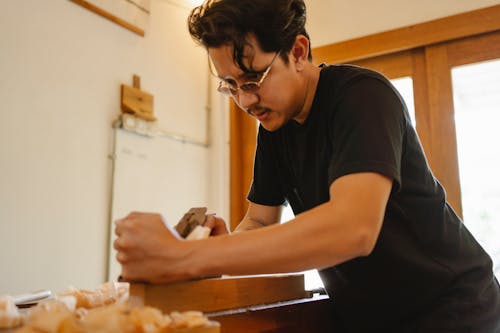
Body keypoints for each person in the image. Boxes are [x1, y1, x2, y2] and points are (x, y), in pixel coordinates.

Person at [114, 0, 500, 331]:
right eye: (230, 85)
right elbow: (260, 222)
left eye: (253, 79)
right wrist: (220, 247)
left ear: (298, 52)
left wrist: (181, 257)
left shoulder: (363, 97)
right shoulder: (274, 128)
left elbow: (353, 228)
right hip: (370, 316)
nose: (246, 102)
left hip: (452, 307)